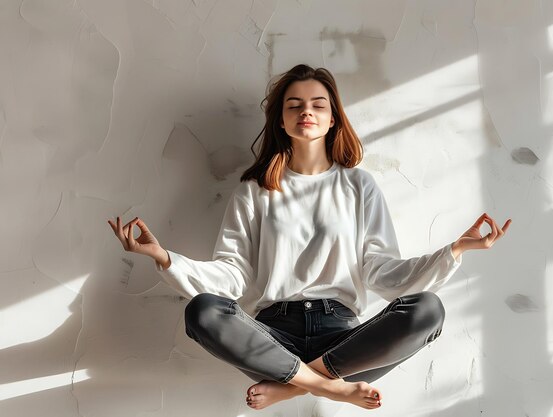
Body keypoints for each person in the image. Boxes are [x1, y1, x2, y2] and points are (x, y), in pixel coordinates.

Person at [108, 64, 511, 411]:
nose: (306, 112)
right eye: (294, 105)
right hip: (271, 337)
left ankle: (293, 386)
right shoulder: (254, 191)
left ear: (333, 117)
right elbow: (232, 276)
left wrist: (455, 250)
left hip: (344, 339)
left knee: (428, 310)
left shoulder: (359, 186)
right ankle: (327, 387)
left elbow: (383, 271)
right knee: (202, 312)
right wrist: (164, 257)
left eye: (318, 104)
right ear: (281, 121)